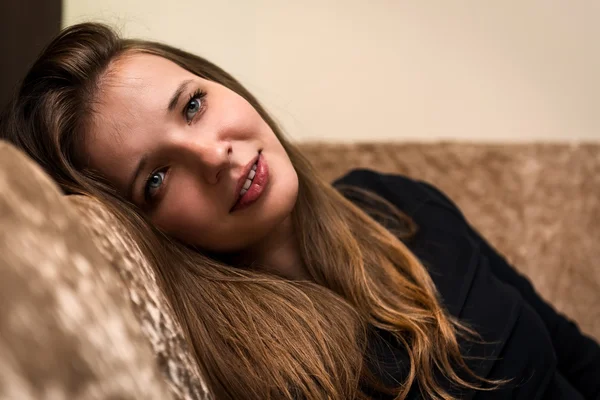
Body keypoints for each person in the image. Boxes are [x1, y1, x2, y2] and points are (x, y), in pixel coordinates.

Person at [1, 22, 598, 400]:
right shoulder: (242, 372)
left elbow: (571, 351)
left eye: (192, 106)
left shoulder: (399, 201)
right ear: (145, 228)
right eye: (156, 178)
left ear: (222, 84)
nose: (213, 155)